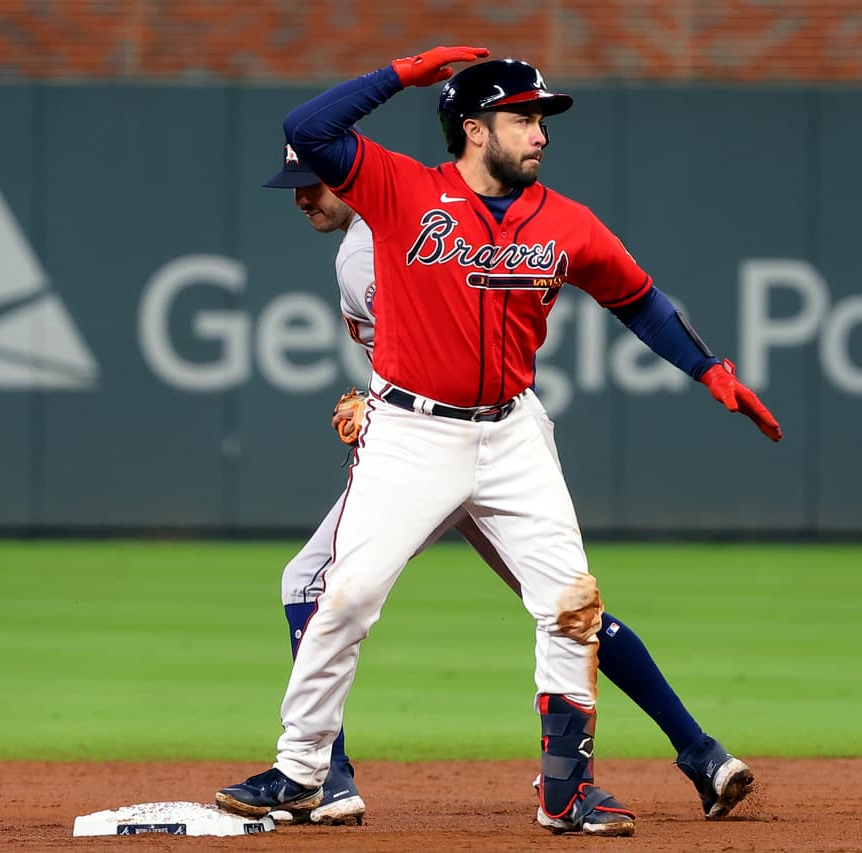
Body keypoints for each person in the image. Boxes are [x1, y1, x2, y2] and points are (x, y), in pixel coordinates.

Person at [219, 47, 782, 838]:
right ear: (475, 129)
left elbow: (640, 299)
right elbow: (306, 128)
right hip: (413, 432)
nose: (541, 133)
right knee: (344, 596)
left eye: (542, 119)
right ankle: (303, 771)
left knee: (570, 605)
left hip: (513, 431)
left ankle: (567, 791)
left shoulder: (567, 221)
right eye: (524, 118)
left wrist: (709, 367)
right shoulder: (401, 190)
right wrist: (402, 74)